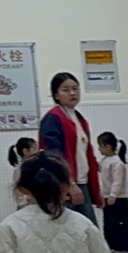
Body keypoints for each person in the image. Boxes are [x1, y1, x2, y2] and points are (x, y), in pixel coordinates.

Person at [38, 73, 102, 222]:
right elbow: (54, 156)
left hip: (82, 183)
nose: (72, 93)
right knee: (69, 229)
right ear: (56, 95)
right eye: (66, 90)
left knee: (88, 230)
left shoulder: (79, 118)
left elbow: (86, 153)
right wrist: (69, 184)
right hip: (64, 185)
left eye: (75, 88)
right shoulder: (53, 118)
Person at [96, 132, 128, 253]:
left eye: (100, 146)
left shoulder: (117, 162)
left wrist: (113, 195)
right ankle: (114, 248)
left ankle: (127, 250)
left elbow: (117, 181)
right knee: (109, 225)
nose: (99, 149)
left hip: (118, 199)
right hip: (107, 198)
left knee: (121, 225)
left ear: (108, 146)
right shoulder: (104, 161)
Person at [6, 137, 37, 206]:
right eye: (35, 149)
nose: (38, 151)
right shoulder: (20, 170)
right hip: (27, 206)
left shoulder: (33, 167)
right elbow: (21, 195)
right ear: (25, 151)